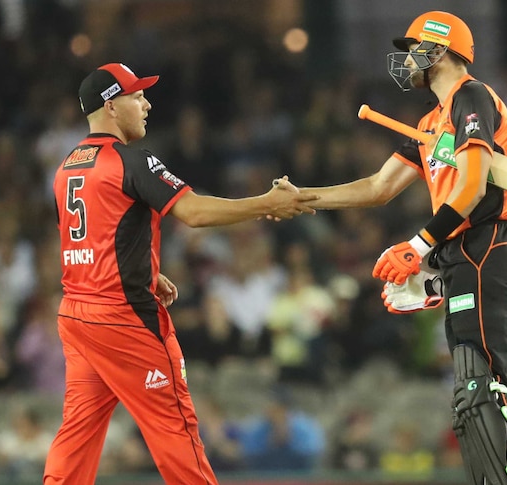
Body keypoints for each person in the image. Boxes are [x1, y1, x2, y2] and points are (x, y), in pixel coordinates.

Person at [283, 11, 507, 484]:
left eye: (414, 47)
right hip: (464, 250)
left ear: (439, 50)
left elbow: (476, 185)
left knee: (483, 383)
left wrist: (419, 248)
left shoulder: (471, 96)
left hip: (489, 243)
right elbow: (378, 187)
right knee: (467, 386)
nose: (405, 59)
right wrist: (302, 198)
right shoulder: (432, 120)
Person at [42, 62, 318, 485]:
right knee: (176, 426)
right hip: (125, 319)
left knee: (78, 432)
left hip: (78, 314)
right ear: (112, 106)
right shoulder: (131, 160)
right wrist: (267, 203)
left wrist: (147, 272)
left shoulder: (68, 166)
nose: (147, 104)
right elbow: (194, 213)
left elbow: (88, 242)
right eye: (137, 96)